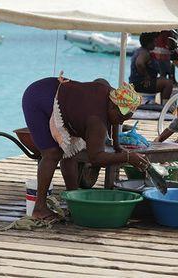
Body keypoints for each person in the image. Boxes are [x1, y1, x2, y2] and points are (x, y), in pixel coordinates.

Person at [22, 75, 149, 221]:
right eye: (120, 118)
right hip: (38, 98)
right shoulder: (97, 121)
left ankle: (73, 200)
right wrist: (128, 157)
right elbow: (96, 158)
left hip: (57, 94)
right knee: (52, 153)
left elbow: (112, 113)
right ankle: (39, 208)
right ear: (112, 105)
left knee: (70, 152)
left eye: (124, 120)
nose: (120, 122)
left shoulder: (111, 94)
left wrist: (116, 144)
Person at [129, 32, 173, 104]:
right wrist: (146, 76)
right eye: (154, 42)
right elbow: (139, 63)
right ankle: (165, 106)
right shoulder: (145, 53)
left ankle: (161, 103)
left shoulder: (140, 50)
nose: (155, 44)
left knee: (162, 79)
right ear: (149, 43)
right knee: (168, 83)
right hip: (141, 84)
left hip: (135, 83)